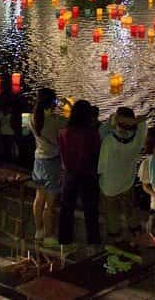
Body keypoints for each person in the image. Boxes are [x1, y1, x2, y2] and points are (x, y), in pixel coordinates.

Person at [98, 107, 148, 244]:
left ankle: (116, 240)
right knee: (130, 211)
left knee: (112, 215)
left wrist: (111, 122)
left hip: (108, 186)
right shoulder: (138, 138)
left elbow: (100, 133)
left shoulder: (108, 141)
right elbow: (143, 120)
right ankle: (136, 236)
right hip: (127, 182)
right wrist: (133, 121)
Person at [57, 99, 102, 249]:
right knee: (90, 209)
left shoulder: (63, 132)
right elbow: (96, 153)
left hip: (69, 173)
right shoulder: (91, 134)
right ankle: (93, 241)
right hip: (87, 174)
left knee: (66, 208)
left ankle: (65, 240)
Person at [30, 88, 66, 248]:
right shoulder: (55, 121)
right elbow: (71, 121)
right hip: (51, 162)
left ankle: (38, 231)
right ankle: (49, 236)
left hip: (38, 160)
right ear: (51, 103)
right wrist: (67, 104)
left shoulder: (32, 118)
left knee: (39, 198)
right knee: (50, 204)